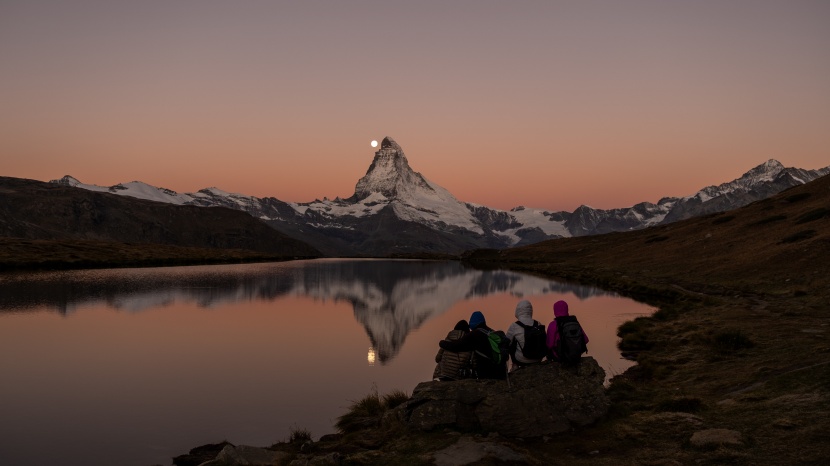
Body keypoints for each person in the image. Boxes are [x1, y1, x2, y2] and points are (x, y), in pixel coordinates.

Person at [439, 311, 507, 380]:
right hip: (501, 371)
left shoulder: (474, 335)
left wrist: (442, 343)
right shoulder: (491, 332)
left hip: (488, 373)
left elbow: (456, 346)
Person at [504, 300, 546, 371]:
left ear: (518, 311)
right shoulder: (538, 323)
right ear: (530, 311)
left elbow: (506, 343)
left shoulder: (514, 326)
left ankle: (515, 365)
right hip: (538, 358)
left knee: (510, 341)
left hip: (522, 360)